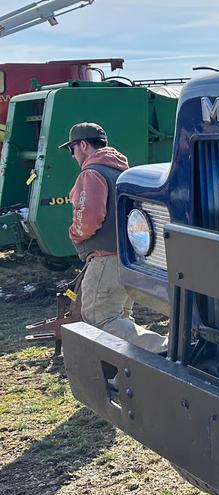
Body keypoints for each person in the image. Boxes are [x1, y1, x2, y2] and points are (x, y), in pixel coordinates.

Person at [63, 123, 167, 353]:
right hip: (129, 259)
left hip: (106, 260)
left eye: (72, 148)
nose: (72, 155)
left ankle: (162, 351)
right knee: (120, 317)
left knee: (98, 318)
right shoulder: (121, 171)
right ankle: (132, 374)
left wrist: (75, 234)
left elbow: (88, 218)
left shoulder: (91, 174)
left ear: (83, 144)